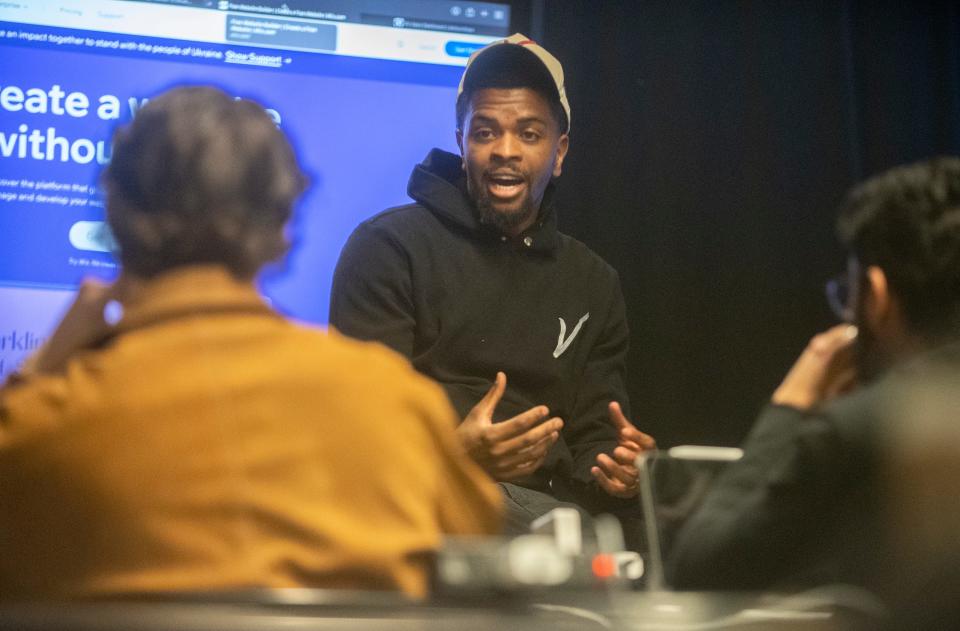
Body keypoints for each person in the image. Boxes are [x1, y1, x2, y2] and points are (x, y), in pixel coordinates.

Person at [0, 86, 501, 602]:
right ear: (282, 228)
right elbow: (480, 552)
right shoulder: (394, 401)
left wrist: (41, 369)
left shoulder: (44, 426)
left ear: (117, 219)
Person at [330, 34, 654, 535]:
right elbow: (358, 435)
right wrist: (458, 456)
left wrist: (621, 471)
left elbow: (595, 436)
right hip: (421, 502)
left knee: (692, 528)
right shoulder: (388, 248)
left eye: (528, 134)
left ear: (559, 151)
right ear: (462, 143)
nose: (505, 151)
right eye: (486, 132)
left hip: (556, 515)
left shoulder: (593, 281)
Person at [667, 157, 960, 592]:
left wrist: (791, 404)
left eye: (850, 291)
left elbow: (702, 568)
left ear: (876, 297)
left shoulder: (862, 431)